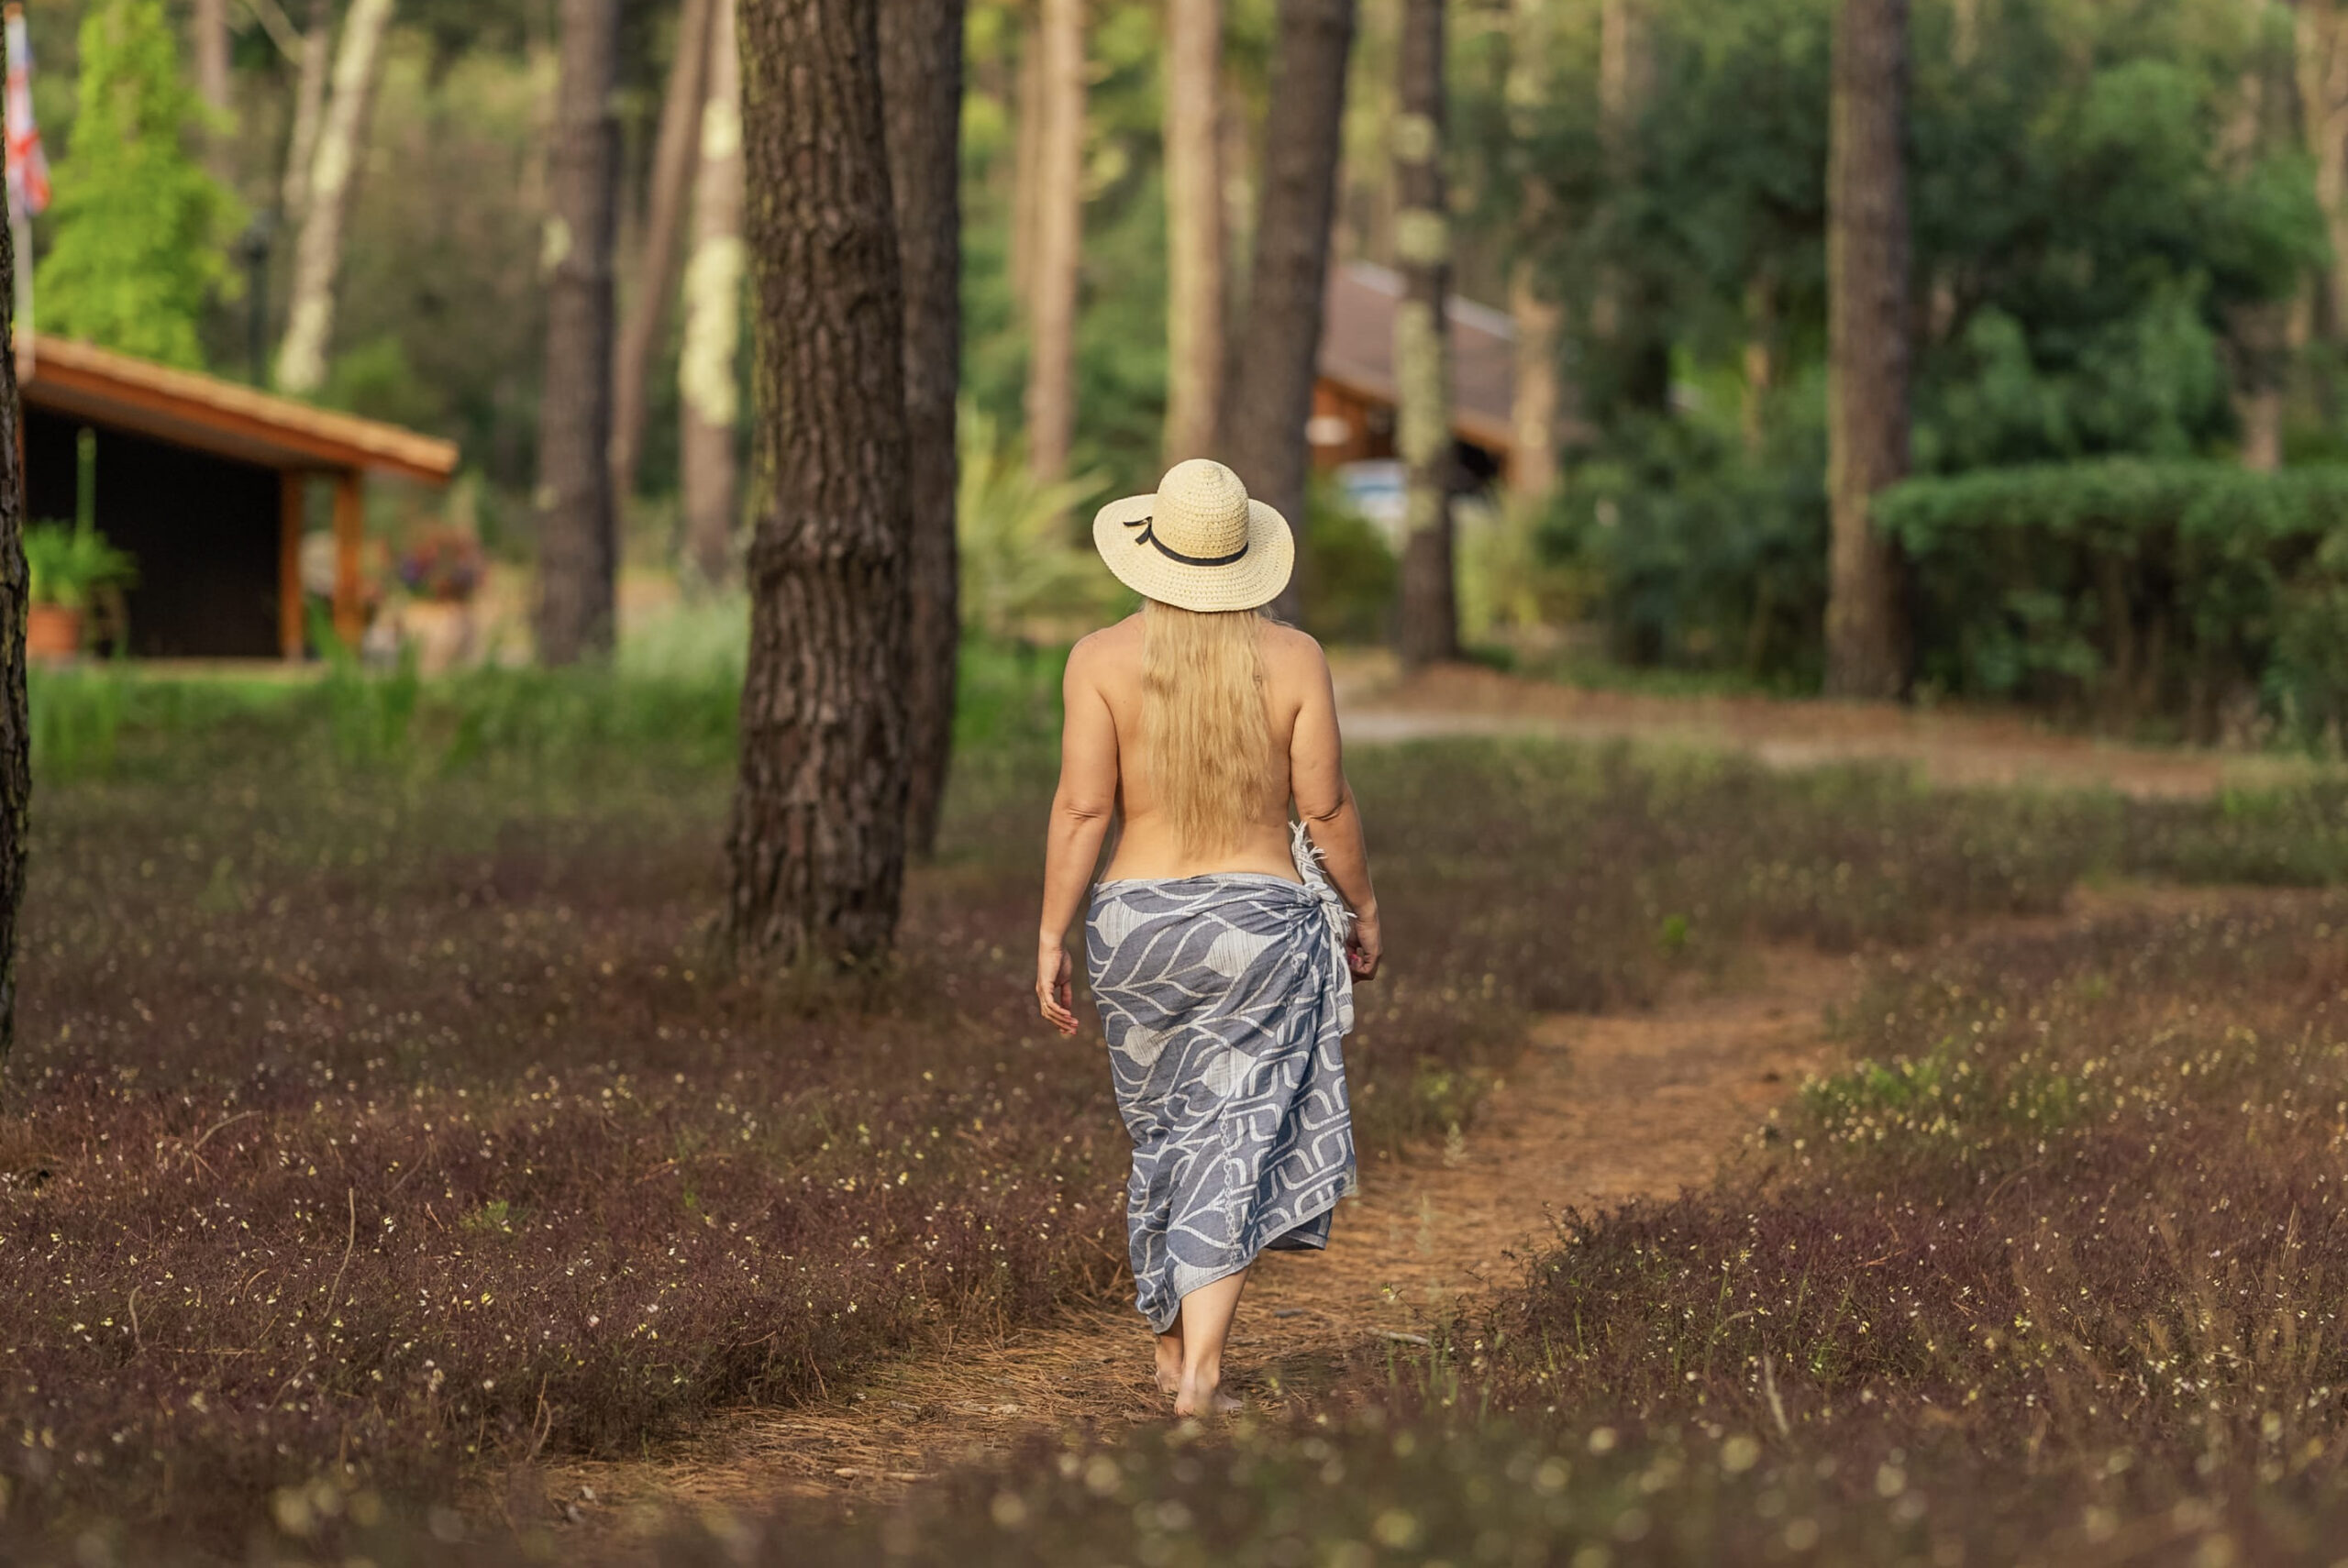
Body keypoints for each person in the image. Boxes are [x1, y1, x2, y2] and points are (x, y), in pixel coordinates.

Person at [1036, 458, 1382, 1419]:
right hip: (1261, 930)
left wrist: (1051, 934)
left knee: (1163, 1134)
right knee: (1231, 1134)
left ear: (1148, 551)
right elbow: (1325, 806)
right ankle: (1200, 1372)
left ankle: (1169, 1352)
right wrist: (1362, 907)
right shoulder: (1295, 658)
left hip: (1134, 927)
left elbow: (1080, 808)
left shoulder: (1098, 659)